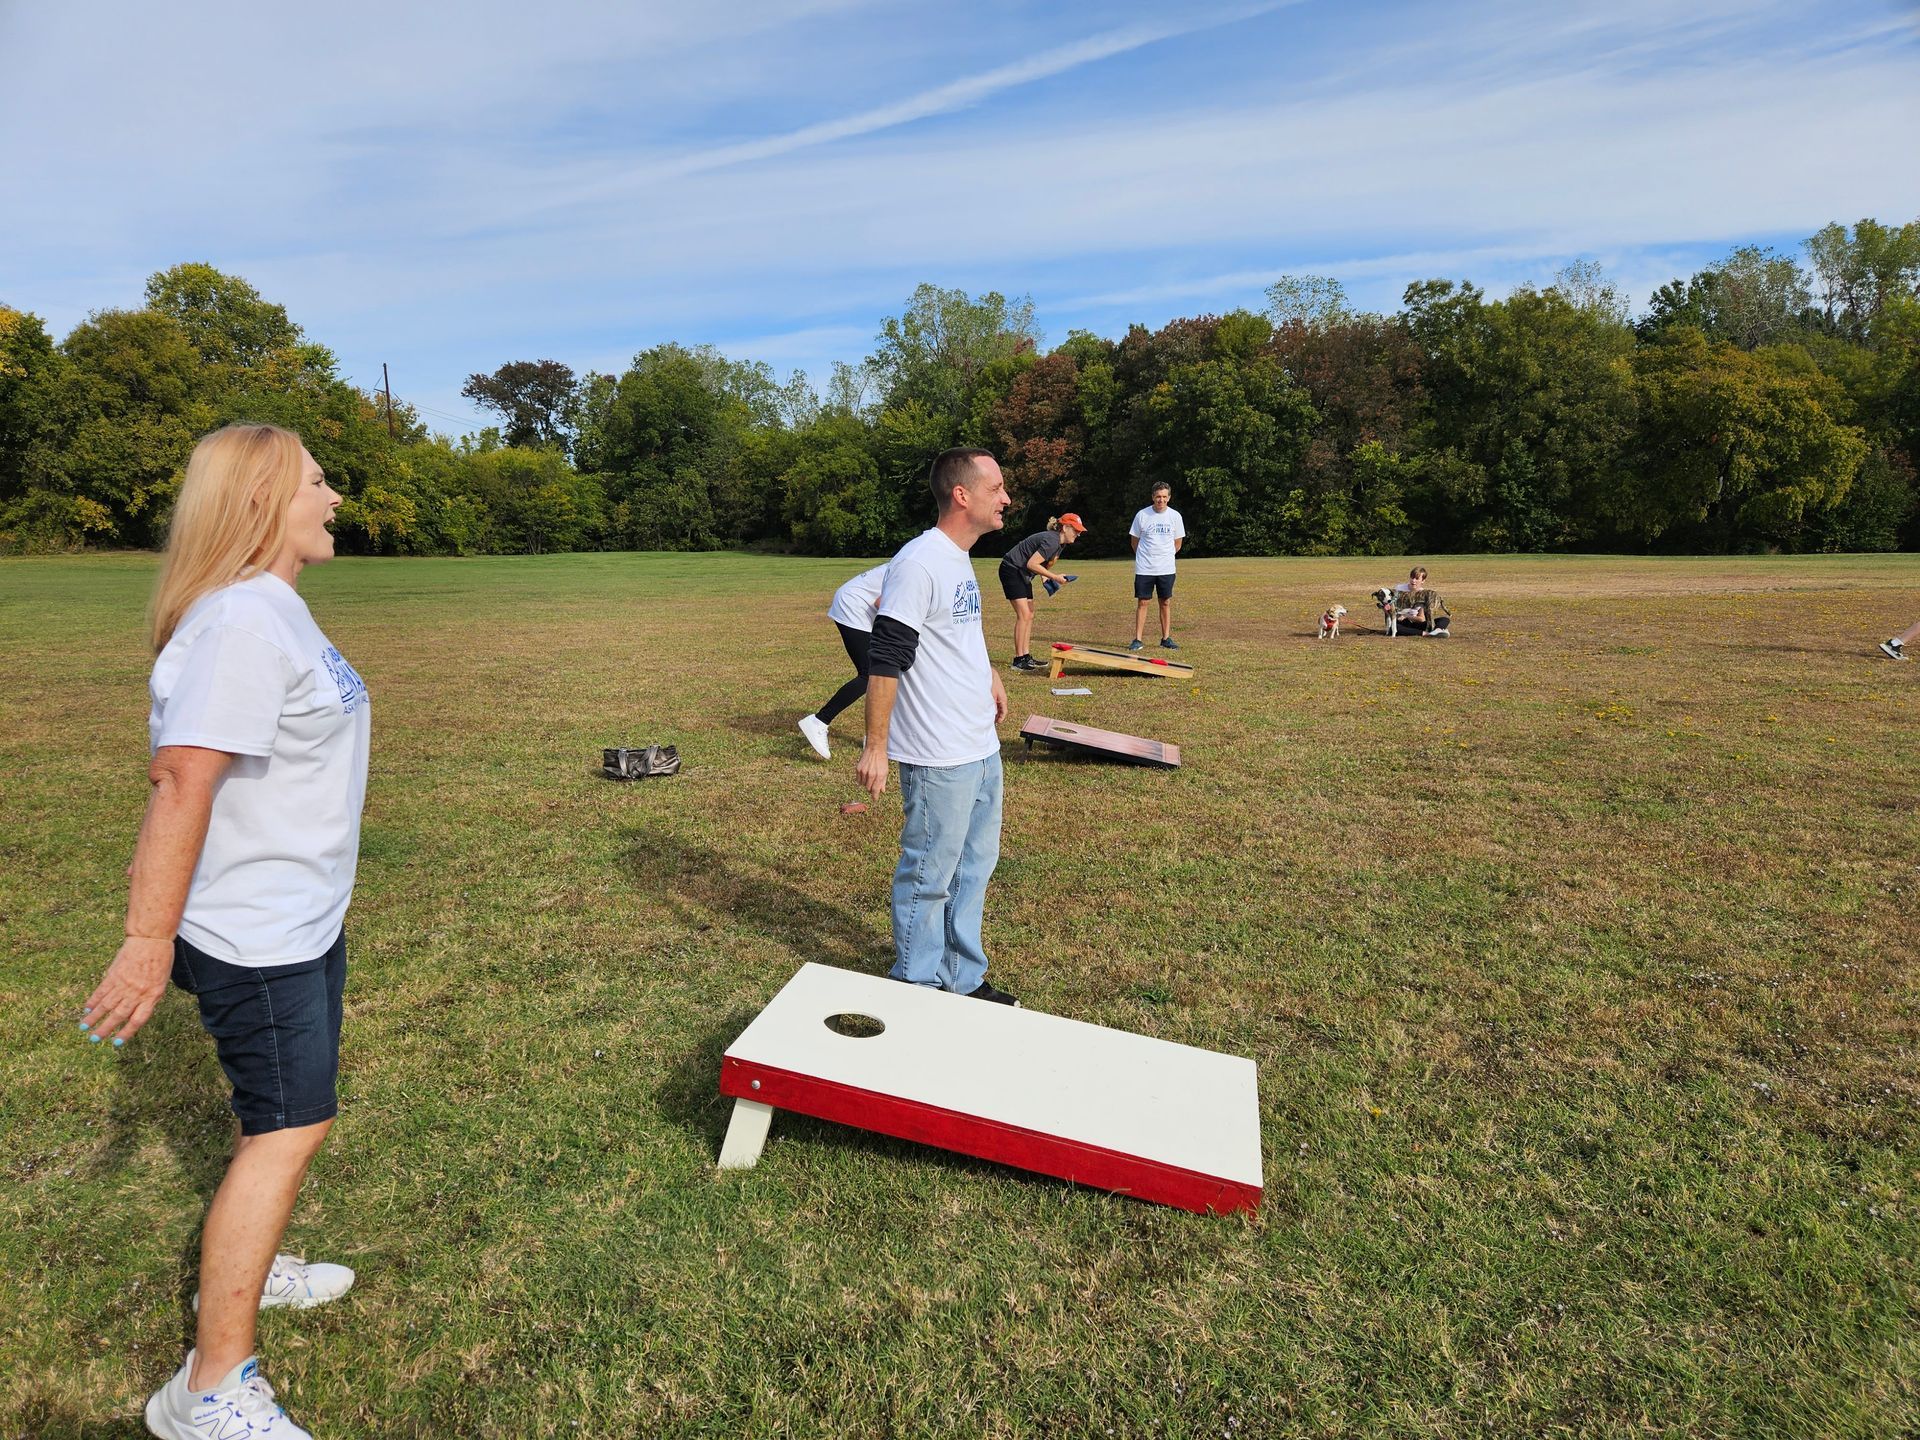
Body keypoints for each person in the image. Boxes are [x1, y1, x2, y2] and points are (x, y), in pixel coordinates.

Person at [82, 424, 369, 1440]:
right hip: (258, 933)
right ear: (261, 504)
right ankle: (207, 1386)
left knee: (274, 1112)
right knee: (292, 1124)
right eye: (319, 483)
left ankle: (255, 1268)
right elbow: (180, 780)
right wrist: (146, 939)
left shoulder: (273, 610)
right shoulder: (244, 621)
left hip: (299, 914)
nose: (335, 498)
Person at [856, 448, 1017, 1005]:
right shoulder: (920, 561)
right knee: (929, 875)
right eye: (996, 488)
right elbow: (887, 654)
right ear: (962, 495)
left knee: (974, 867)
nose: (1006, 498)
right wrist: (876, 746)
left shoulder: (957, 557)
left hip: (979, 743)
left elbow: (954, 632)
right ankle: (916, 985)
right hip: (938, 752)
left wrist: (990, 671)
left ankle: (961, 978)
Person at [798, 561, 888, 759]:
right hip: (853, 606)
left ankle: (874, 736)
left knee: (888, 673)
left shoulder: (919, 560)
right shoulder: (919, 569)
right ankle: (819, 721)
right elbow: (882, 603)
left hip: (857, 604)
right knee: (871, 674)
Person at [998, 513, 1086, 672]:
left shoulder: (1059, 544)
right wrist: (1054, 577)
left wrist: (1045, 578)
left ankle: (1025, 657)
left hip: (1022, 572)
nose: (1078, 534)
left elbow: (1040, 563)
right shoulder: (1052, 540)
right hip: (1011, 569)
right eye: (1076, 530)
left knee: (1030, 613)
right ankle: (1018, 660)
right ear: (1065, 528)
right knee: (1024, 614)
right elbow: (1032, 563)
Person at [1128, 483, 1185, 651]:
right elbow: (1135, 542)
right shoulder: (1142, 515)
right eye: (1158, 496)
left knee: (1165, 602)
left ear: (1169, 497)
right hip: (1145, 568)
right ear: (1153, 497)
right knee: (1143, 602)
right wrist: (1146, 557)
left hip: (1166, 568)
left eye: (1164, 496)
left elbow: (1178, 543)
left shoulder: (1175, 516)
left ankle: (1166, 638)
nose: (1161, 500)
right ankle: (1138, 639)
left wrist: (1164, 556)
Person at [1394, 564, 1452, 636]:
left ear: (1423, 581)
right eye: (1412, 577)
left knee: (1445, 619)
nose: (1413, 580)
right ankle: (1428, 634)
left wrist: (1406, 616)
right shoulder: (1399, 588)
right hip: (1400, 621)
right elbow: (1392, 607)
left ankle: (1438, 630)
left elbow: (1421, 619)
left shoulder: (1424, 594)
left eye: (1417, 578)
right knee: (1394, 628)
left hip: (1415, 622)